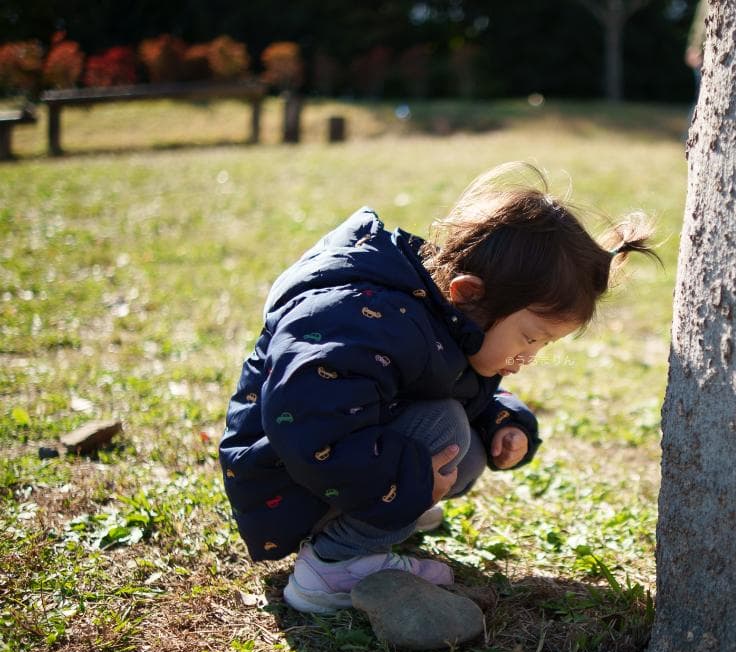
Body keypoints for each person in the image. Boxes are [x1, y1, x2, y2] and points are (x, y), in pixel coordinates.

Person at [218, 162, 655, 613]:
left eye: (543, 344)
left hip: (333, 468)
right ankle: (330, 566)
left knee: (465, 447)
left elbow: (464, 387)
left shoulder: (442, 322)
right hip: (280, 477)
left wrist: (504, 422)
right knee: (445, 429)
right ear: (468, 293)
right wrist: (400, 484)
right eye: (530, 337)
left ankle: (373, 516)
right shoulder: (365, 319)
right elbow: (313, 426)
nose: (530, 356)